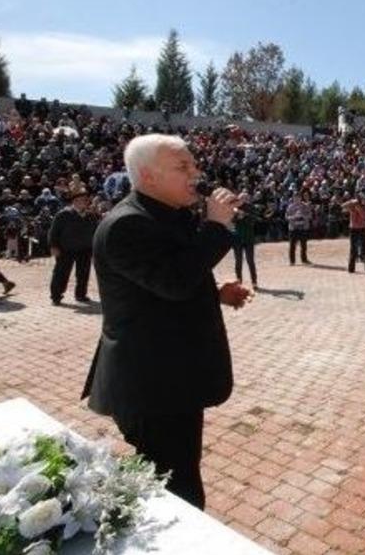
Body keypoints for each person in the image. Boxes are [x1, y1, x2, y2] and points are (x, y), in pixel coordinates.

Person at [81, 134, 249, 509]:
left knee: (179, 473)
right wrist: (217, 227)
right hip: (151, 386)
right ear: (148, 176)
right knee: (177, 492)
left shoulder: (166, 214)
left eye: (193, 163)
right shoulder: (127, 225)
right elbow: (174, 282)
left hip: (170, 380)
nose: (196, 173)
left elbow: (166, 277)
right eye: (182, 166)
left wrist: (214, 290)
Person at [48, 188, 98, 305]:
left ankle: (81, 294)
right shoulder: (64, 214)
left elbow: (95, 231)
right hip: (66, 249)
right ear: (74, 201)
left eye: (86, 200)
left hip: (85, 249)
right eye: (81, 200)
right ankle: (56, 296)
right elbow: (53, 231)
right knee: (61, 273)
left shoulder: (91, 215)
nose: (84, 203)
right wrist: (53, 246)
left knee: (83, 273)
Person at [231, 192, 259, 288]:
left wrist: (244, 216)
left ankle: (254, 282)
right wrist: (237, 216)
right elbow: (230, 221)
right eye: (242, 197)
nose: (244, 199)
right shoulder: (234, 208)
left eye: (246, 197)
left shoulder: (252, 208)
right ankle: (239, 281)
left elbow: (253, 220)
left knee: (250, 261)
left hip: (249, 238)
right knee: (238, 261)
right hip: (237, 239)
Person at [342, 194, 365, 273]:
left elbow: (364, 216)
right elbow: (343, 206)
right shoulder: (352, 205)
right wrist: (351, 202)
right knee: (353, 249)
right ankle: (351, 268)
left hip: (362, 228)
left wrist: (358, 207)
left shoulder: (364, 206)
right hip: (353, 228)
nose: (361, 200)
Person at [285, 191, 312, 265]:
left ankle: (304, 259)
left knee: (303, 245)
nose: (297, 199)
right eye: (295, 197)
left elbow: (310, 216)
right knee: (292, 245)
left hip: (302, 228)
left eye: (298, 197)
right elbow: (286, 217)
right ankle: (292, 261)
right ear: (293, 198)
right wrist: (293, 217)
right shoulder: (290, 207)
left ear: (300, 198)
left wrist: (303, 216)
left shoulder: (305, 206)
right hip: (293, 228)